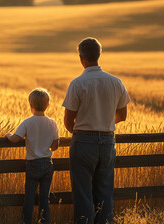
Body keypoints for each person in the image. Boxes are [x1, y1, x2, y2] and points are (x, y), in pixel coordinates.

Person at [62, 37, 130, 224]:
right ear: (99, 55)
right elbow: (122, 115)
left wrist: (82, 130)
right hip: (108, 142)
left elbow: (68, 121)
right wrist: (105, 122)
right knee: (105, 193)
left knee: (83, 194)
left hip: (83, 142)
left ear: (81, 58)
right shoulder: (116, 82)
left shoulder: (77, 83)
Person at [5, 88, 59, 224]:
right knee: (44, 198)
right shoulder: (53, 123)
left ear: (31, 105)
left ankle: (26, 221)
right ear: (47, 105)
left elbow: (15, 139)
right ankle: (44, 221)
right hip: (47, 164)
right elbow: (54, 146)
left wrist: (8, 135)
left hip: (33, 164)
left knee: (29, 198)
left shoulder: (27, 122)